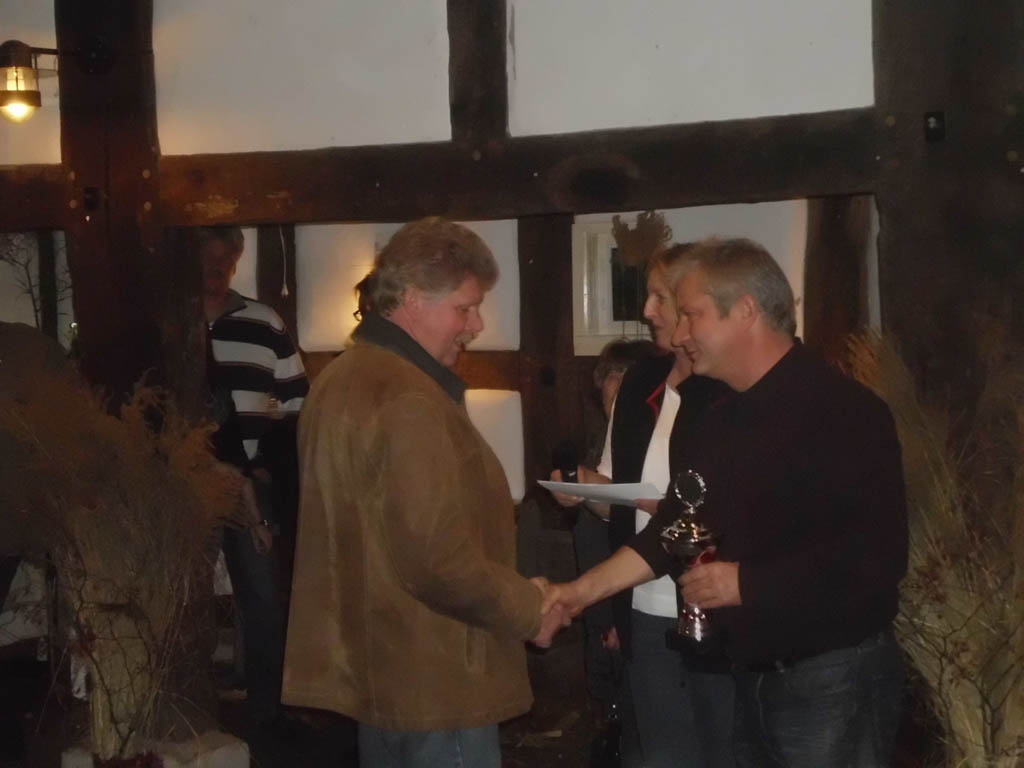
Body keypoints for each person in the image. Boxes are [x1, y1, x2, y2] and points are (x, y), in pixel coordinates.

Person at [546, 237, 908, 767]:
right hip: (751, 674)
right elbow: (674, 528)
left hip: (833, 678)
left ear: (745, 310)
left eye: (692, 315)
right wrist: (577, 593)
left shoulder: (842, 411)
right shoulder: (720, 415)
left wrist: (746, 583)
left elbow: (877, 561)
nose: (680, 334)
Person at [281, 217, 567, 768]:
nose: (476, 325)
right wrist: (528, 608)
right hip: (438, 679)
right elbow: (437, 561)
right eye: (465, 308)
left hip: (382, 674)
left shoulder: (340, 379)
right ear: (412, 300)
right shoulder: (409, 400)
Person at [549, 244, 732, 768]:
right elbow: (620, 503)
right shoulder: (639, 383)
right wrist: (588, 489)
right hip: (645, 607)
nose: (647, 310)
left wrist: (668, 512)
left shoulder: (727, 386)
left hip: (716, 607)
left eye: (659, 297)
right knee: (658, 754)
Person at [199, 226, 309, 726]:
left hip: (250, 483)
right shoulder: (168, 323)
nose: (218, 267)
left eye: (228, 258)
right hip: (183, 486)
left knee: (263, 600)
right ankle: (193, 706)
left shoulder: (264, 323)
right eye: (209, 257)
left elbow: (295, 404)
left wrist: (267, 465)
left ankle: (268, 712)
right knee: (184, 600)